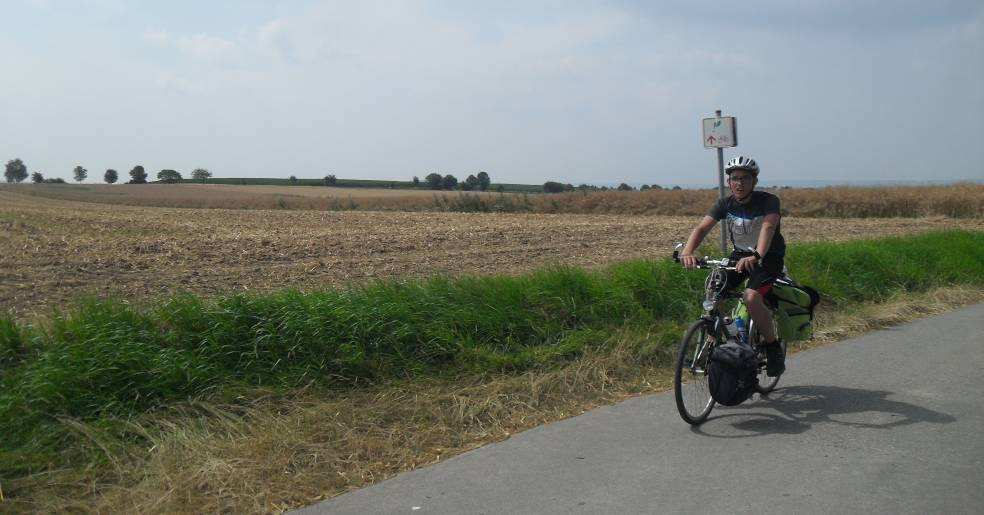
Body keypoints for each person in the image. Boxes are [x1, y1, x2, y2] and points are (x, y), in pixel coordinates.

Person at [679, 155, 786, 376]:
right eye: (734, 178)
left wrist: (756, 255)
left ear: (754, 181)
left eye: (745, 178)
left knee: (751, 297)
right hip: (739, 256)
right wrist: (688, 251)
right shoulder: (725, 204)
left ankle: (773, 347)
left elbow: (768, 227)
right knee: (714, 292)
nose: (739, 183)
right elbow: (701, 229)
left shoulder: (768, 200)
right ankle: (712, 341)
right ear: (729, 182)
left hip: (767, 258)